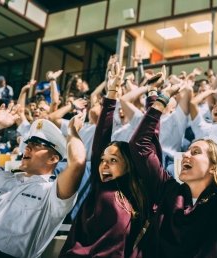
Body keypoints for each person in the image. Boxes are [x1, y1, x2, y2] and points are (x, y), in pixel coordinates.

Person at [128, 71, 217, 257]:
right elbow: (139, 146)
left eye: (195, 152)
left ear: (214, 166)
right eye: (187, 150)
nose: (185, 155)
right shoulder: (168, 189)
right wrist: (161, 99)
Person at [0, 104, 86, 257]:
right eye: (28, 144)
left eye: (37, 145)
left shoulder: (52, 193)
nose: (27, 148)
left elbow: (78, 162)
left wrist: (72, 131)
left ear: (53, 158)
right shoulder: (2, 178)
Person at [60, 61, 150, 257]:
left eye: (114, 160)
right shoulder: (100, 187)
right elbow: (102, 135)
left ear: (129, 166)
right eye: (103, 159)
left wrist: (155, 101)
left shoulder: (140, 197)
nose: (104, 165)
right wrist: (111, 91)